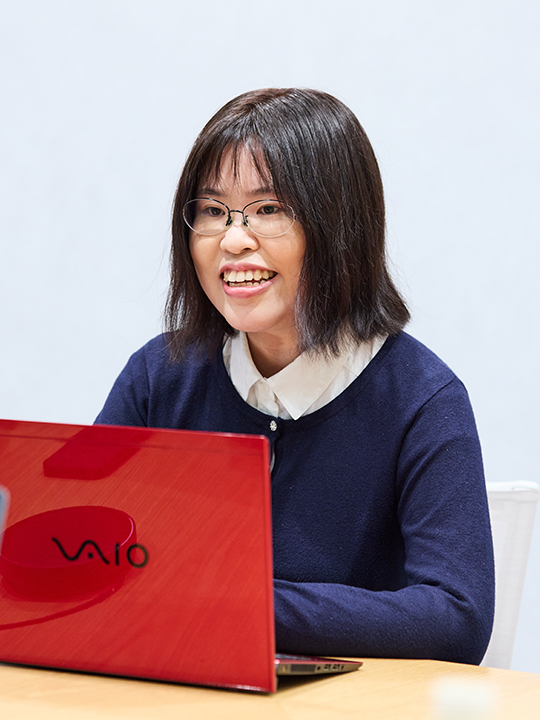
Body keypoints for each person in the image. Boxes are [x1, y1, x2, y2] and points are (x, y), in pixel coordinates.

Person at [96, 88, 495, 664]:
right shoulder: (160, 377)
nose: (233, 239)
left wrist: (235, 602)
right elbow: (78, 555)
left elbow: (454, 618)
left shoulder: (421, 399)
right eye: (212, 211)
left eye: (269, 209)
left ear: (340, 226)